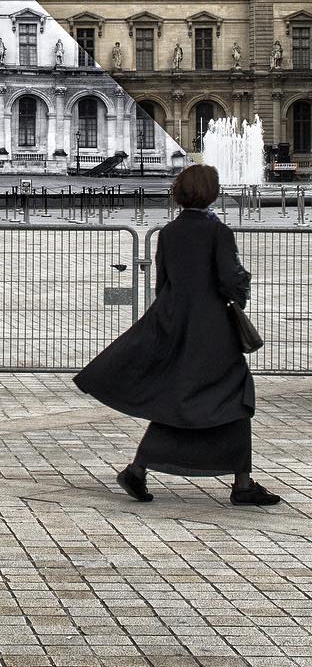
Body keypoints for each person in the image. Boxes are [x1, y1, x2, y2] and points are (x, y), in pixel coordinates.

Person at [74, 164, 280, 507]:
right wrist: (241, 289)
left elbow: (162, 286)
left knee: (183, 399)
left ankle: (141, 471)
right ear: (211, 192)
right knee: (232, 393)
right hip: (211, 328)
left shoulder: (168, 232)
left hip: (173, 323)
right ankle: (239, 483)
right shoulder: (218, 232)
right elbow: (230, 280)